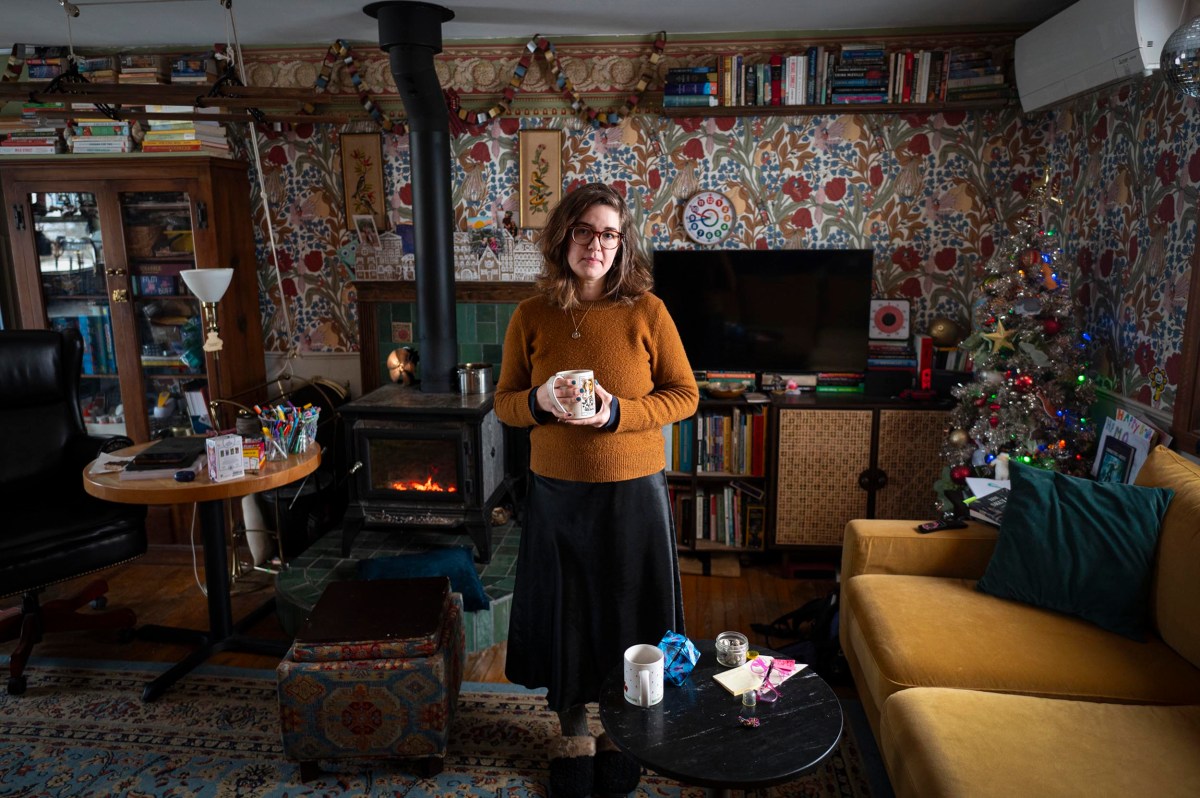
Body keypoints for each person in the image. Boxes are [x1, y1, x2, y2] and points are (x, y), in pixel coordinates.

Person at [493, 182, 699, 798]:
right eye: (585, 230)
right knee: (569, 612)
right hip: (557, 490)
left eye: (610, 234)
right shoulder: (531, 315)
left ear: (622, 243)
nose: (597, 245)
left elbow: (684, 395)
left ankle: (619, 728)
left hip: (633, 486)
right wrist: (538, 400)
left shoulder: (648, 311)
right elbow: (505, 404)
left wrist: (615, 414)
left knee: (628, 612)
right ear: (564, 236)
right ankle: (572, 728)